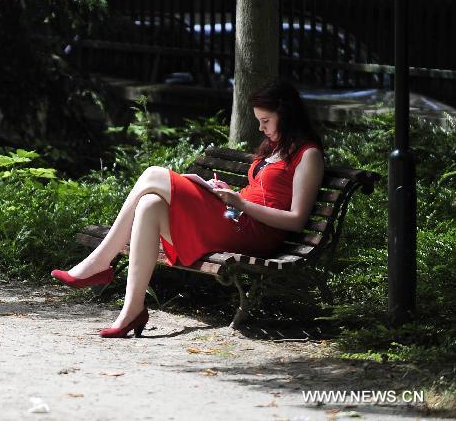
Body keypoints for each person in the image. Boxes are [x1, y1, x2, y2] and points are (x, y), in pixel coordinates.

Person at [51, 80, 325, 338]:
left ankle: (100, 262)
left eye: (266, 121)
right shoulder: (275, 148)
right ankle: (132, 310)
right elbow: (259, 193)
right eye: (258, 121)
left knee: (152, 174)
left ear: (286, 115)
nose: (261, 128)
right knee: (150, 204)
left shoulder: (308, 155)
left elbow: (296, 220)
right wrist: (224, 191)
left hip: (253, 232)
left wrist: (241, 203)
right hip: (234, 217)